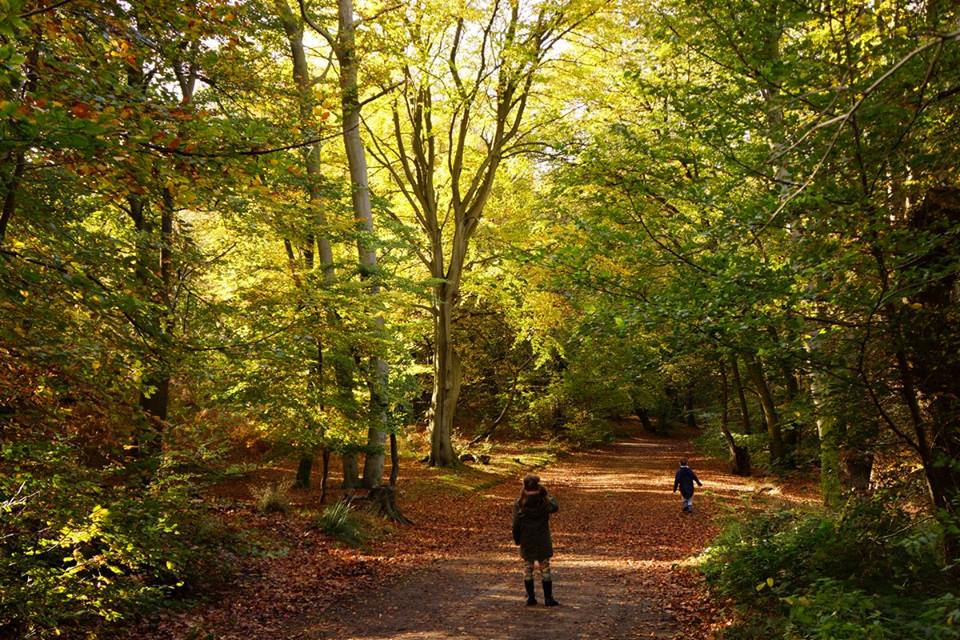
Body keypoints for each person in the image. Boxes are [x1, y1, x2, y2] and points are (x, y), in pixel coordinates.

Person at [512, 474, 560, 606]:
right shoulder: (544, 502)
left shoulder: (519, 504)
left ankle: (531, 598)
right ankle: (548, 598)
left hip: (527, 540)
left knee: (528, 568)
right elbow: (555, 507)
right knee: (545, 568)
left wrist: (517, 540)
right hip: (542, 539)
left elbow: (515, 525)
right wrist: (548, 495)